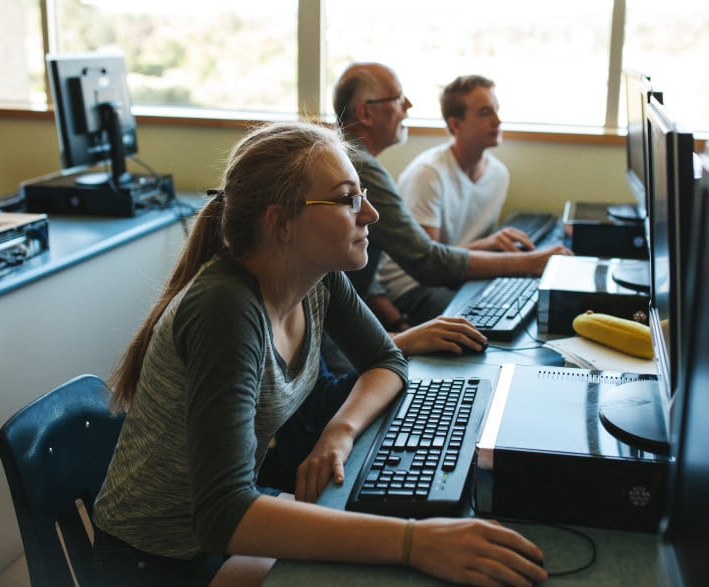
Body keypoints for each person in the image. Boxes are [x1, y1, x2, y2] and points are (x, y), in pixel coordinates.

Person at [90, 120, 548, 587]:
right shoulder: (225, 311)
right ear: (280, 223)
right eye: (348, 198)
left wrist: (340, 432)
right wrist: (415, 541)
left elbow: (386, 361)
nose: (369, 213)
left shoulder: (316, 278)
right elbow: (223, 516)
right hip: (157, 555)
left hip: (217, 525)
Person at [333, 62, 572, 326]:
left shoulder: (353, 161)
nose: (408, 106)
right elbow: (429, 263)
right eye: (399, 98)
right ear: (365, 112)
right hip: (346, 324)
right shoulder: (362, 168)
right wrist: (530, 262)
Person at [377, 74, 529, 323]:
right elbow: (429, 263)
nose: (497, 121)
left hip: (456, 275)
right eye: (485, 113)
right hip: (414, 286)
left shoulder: (498, 174)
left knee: (519, 303)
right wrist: (492, 245)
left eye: (497, 111)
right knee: (482, 321)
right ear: (455, 125)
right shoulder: (428, 174)